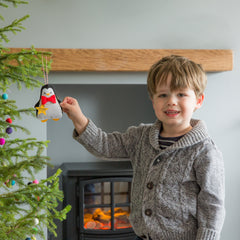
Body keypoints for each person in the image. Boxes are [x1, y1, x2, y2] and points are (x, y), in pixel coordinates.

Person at [60, 55, 225, 240]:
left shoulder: (205, 151)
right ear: (153, 100)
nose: (171, 101)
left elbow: (212, 205)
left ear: (198, 100)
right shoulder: (140, 137)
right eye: (163, 95)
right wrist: (78, 119)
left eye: (181, 94)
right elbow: (104, 146)